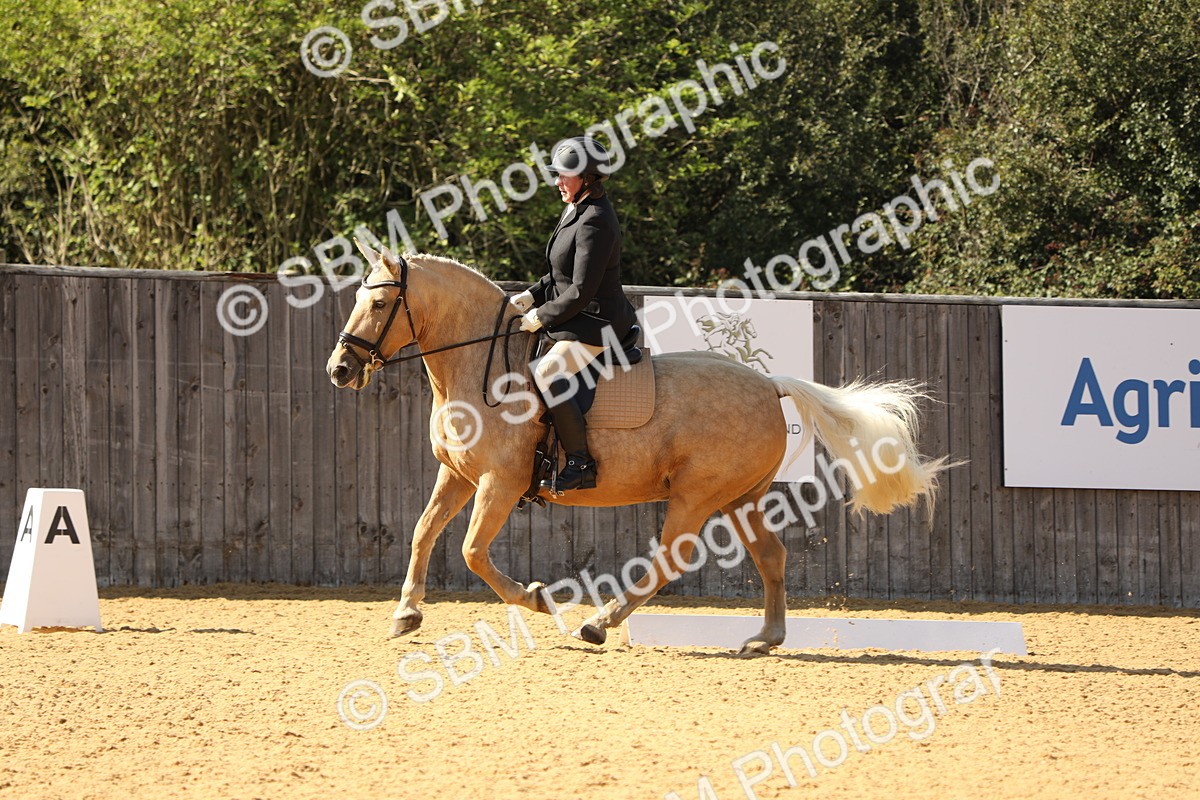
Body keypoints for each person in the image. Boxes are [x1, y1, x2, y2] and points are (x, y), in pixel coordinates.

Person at [509, 136, 637, 491]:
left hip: (598, 323)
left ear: (587, 178)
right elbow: (558, 274)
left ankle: (581, 463)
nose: (557, 182)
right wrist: (530, 296)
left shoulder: (597, 220)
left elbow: (581, 290)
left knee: (547, 372)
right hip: (577, 314)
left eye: (564, 175)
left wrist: (542, 316)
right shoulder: (575, 208)